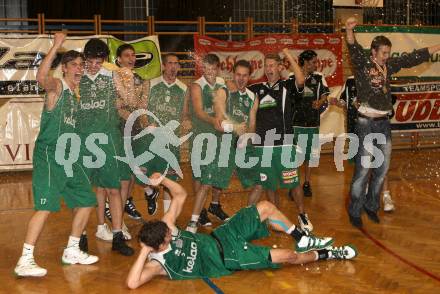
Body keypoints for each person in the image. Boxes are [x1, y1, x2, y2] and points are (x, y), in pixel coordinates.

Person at [125, 173, 357, 289]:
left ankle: (303, 238)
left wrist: (163, 179)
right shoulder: (157, 265)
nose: (170, 232)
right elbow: (132, 283)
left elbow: (180, 195)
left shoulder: (167, 227)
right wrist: (145, 251)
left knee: (265, 207)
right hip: (230, 257)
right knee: (288, 256)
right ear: (160, 245)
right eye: (167, 237)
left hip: (222, 236)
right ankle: (329, 254)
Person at [14, 33, 99, 277]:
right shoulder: (58, 87)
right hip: (50, 156)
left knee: (86, 200)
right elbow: (41, 77)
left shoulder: (76, 95)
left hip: (70, 158)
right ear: (64, 69)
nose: (80, 69)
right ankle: (25, 259)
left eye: (82, 65)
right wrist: (56, 46)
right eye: (74, 65)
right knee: (45, 207)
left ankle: (72, 249)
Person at [344, 16, 440, 227]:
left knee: (382, 168)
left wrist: (437, 45)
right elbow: (352, 45)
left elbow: (414, 57)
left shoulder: (390, 66)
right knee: (363, 170)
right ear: (374, 52)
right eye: (384, 53)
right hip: (366, 123)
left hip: (383, 123)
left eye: (388, 53)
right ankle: (355, 210)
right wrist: (349, 30)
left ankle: (371, 205)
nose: (387, 57)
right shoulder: (363, 63)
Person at [77, 38, 134, 256]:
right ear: (84, 59)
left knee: (114, 189)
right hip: (83, 140)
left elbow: (129, 100)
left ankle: (118, 237)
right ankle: (80, 238)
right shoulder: (77, 77)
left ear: (104, 60)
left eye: (97, 61)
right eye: (89, 61)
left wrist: (127, 81)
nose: (93, 65)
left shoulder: (112, 76)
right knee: (82, 192)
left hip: (108, 139)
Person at [248, 49, 313, 232]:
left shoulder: (287, 86)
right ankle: (275, 215)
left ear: (279, 67)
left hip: (284, 143)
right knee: (269, 185)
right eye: (266, 66)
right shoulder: (256, 89)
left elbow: (301, 79)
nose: (268, 69)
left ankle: (302, 215)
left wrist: (287, 54)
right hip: (263, 145)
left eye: (272, 65)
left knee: (293, 183)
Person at [135, 53, 191, 216]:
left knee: (169, 180)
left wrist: (186, 121)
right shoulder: (150, 84)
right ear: (164, 66)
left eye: (176, 63)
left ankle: (167, 218)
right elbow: (141, 109)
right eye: (170, 63)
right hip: (148, 139)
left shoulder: (184, 88)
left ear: (179, 67)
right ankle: (150, 193)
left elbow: (184, 114)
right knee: (139, 173)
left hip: (168, 141)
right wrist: (146, 123)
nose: (173, 66)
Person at [334, 76, 395, 212]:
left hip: (376, 127)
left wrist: (366, 108)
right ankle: (365, 195)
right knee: (363, 166)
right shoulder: (349, 81)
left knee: (380, 163)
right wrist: (338, 103)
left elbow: (388, 107)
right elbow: (345, 102)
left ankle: (386, 195)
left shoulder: (378, 78)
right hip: (357, 129)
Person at [186, 54, 230, 232]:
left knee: (220, 170)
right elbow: (198, 111)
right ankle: (201, 211)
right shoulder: (197, 86)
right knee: (200, 174)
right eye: (207, 69)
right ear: (202, 69)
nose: (210, 72)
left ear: (218, 68)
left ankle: (215, 204)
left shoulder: (222, 83)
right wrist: (215, 121)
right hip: (202, 134)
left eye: (213, 69)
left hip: (220, 134)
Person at [214, 59, 262, 206]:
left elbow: (252, 124)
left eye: (245, 75)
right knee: (216, 182)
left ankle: (247, 213)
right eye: (238, 75)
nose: (241, 79)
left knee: (260, 181)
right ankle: (213, 205)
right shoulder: (224, 92)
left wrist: (247, 143)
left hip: (244, 146)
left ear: (249, 77)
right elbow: (218, 119)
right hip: (225, 143)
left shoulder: (253, 97)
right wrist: (235, 127)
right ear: (233, 75)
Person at [113, 43, 149, 227]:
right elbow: (119, 104)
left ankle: (126, 203)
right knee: (123, 176)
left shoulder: (141, 79)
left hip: (135, 127)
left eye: (133, 55)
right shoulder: (114, 76)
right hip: (118, 128)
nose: (131, 58)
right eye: (127, 55)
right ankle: (116, 217)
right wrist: (131, 113)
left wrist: (144, 122)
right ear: (118, 59)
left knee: (134, 172)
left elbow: (142, 105)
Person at [292, 50, 330, 197]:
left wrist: (320, 102)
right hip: (296, 124)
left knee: (309, 156)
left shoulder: (319, 77)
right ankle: (294, 185)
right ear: (306, 63)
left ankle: (307, 183)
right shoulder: (292, 77)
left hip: (312, 123)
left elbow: (325, 94)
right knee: (295, 156)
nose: (316, 64)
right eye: (313, 62)